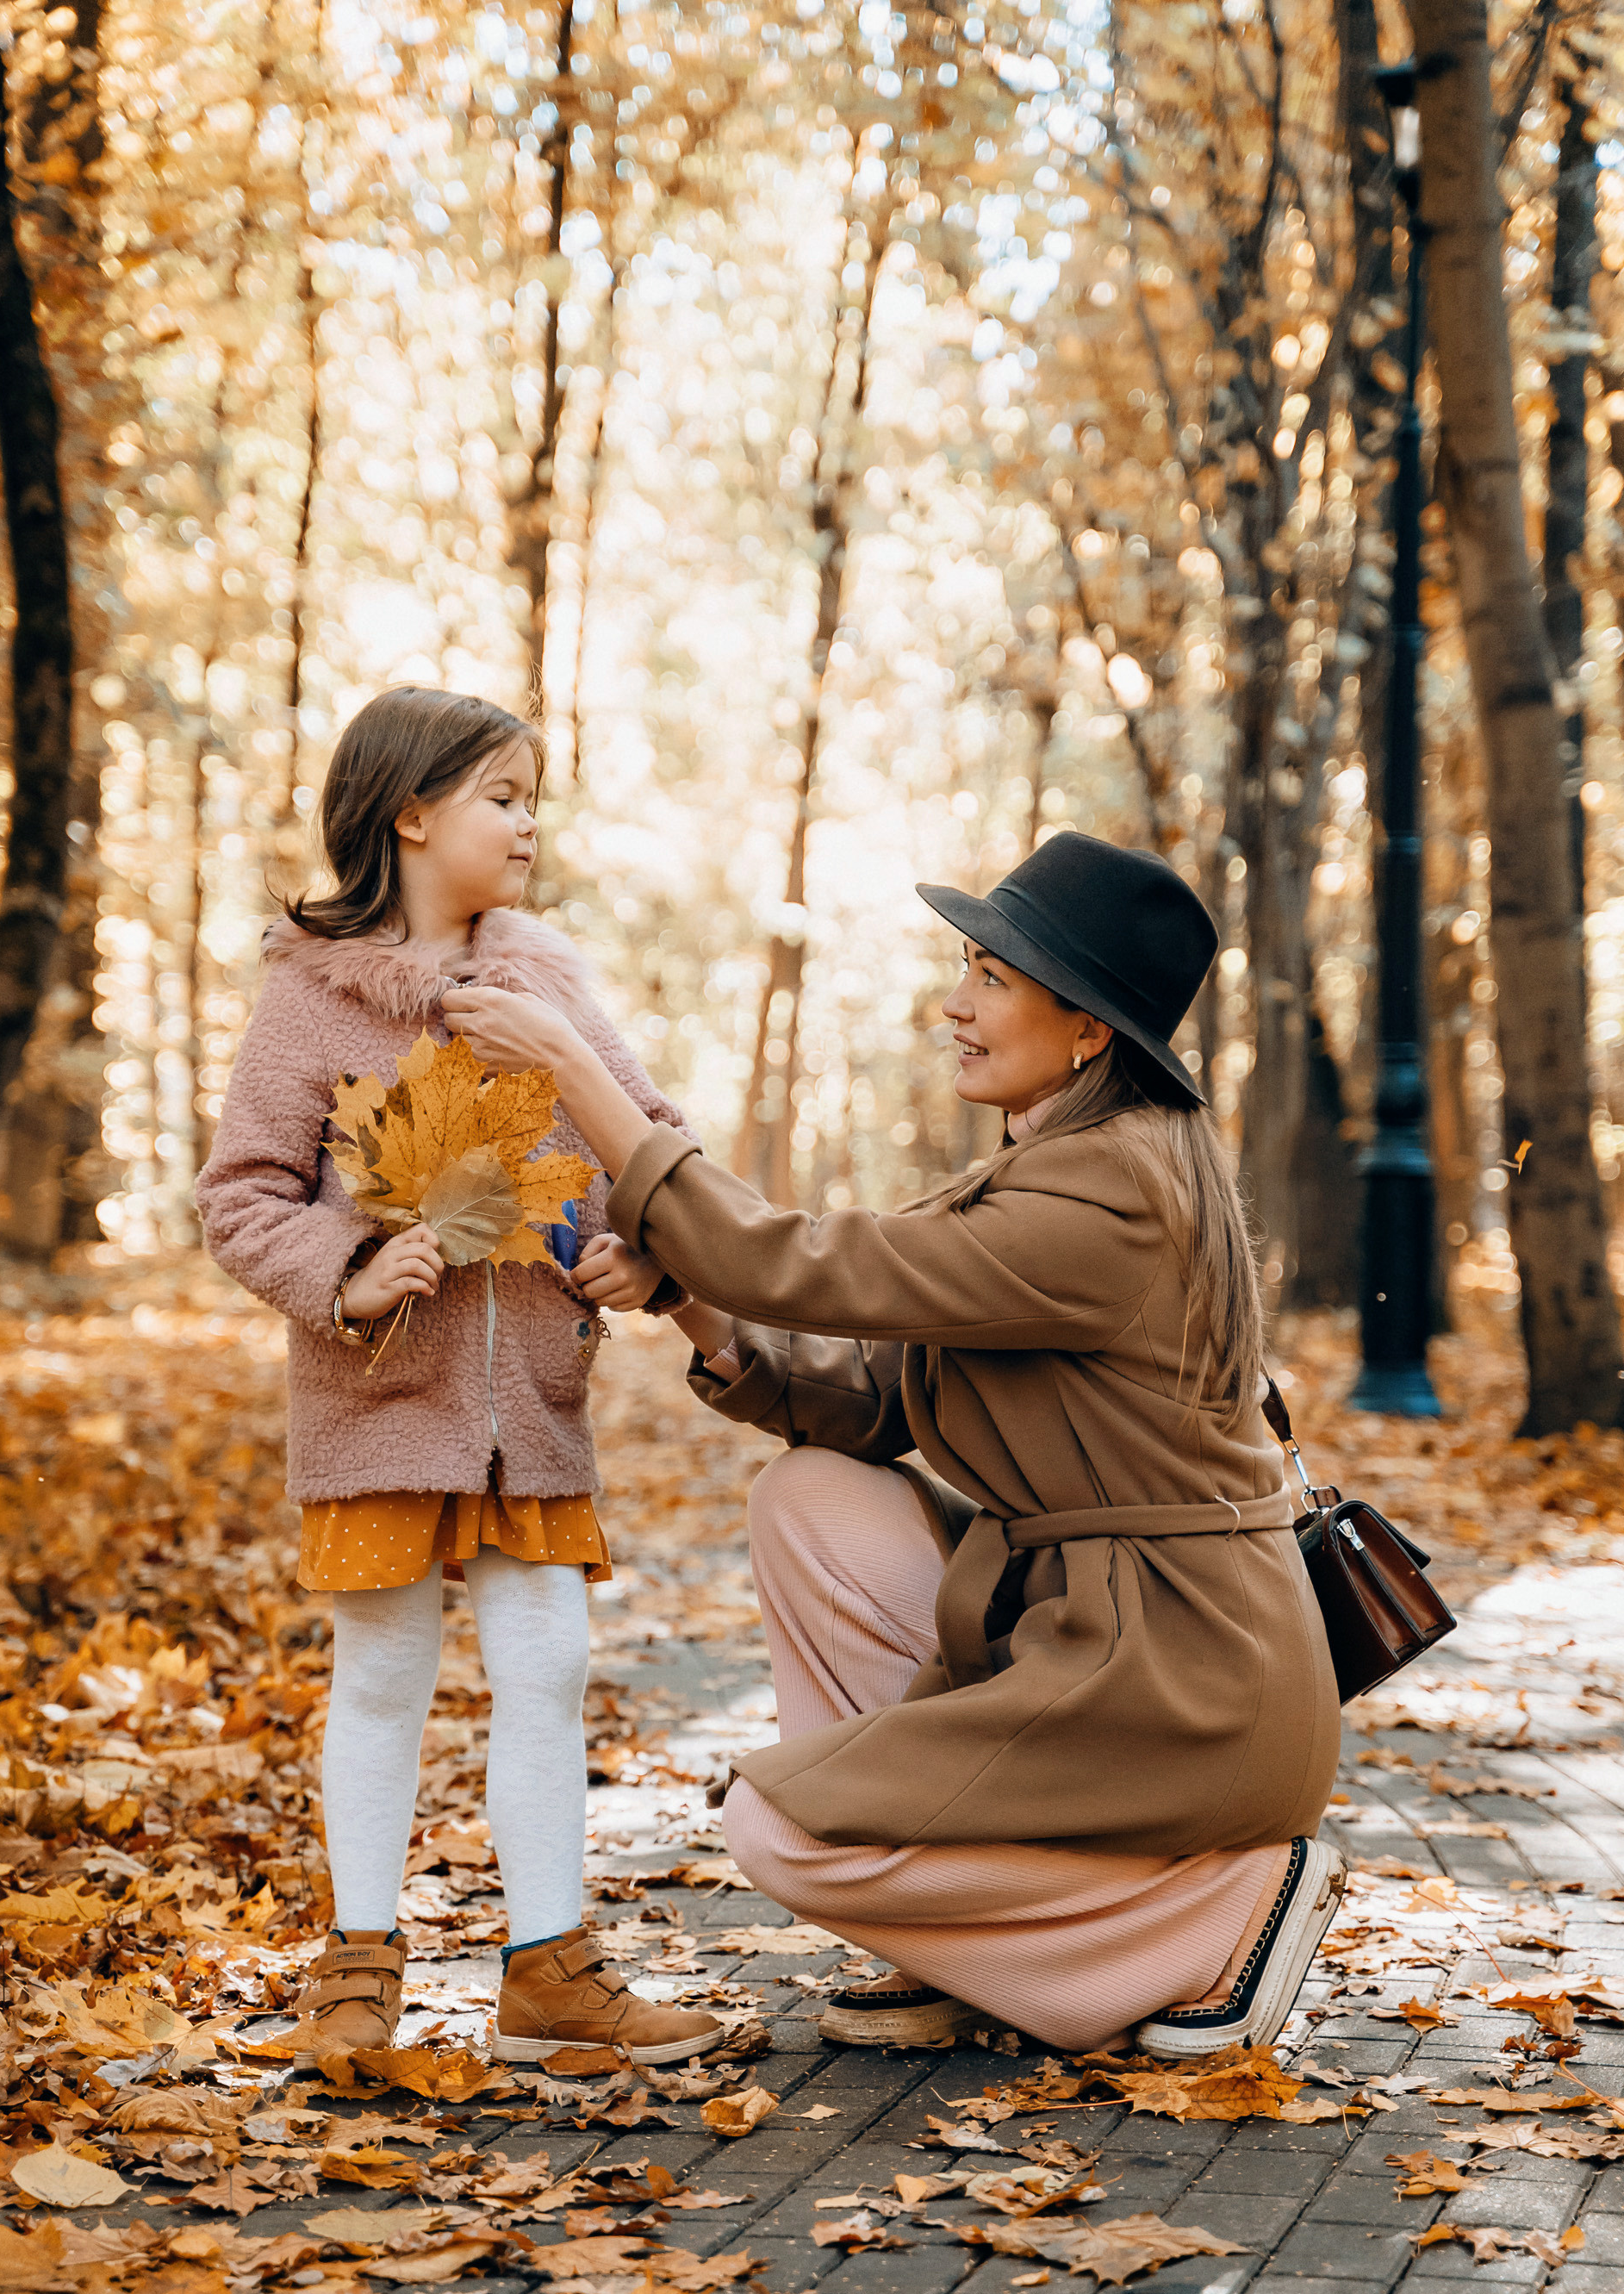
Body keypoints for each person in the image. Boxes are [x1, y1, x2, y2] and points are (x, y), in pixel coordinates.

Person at [451, 832, 1346, 2057]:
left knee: (777, 1831)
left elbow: (800, 1260)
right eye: (965, 968)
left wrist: (574, 1072)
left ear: (1088, 1029)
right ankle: (947, 1956)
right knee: (813, 1496)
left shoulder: (1111, 1192)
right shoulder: (1059, 1162)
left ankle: (1221, 1911)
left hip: (1183, 1684)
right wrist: (686, 1301)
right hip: (1102, 1637)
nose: (954, 1003)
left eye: (990, 976)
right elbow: (869, 1400)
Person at [195, 684, 724, 2064]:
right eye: (502, 794)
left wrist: (642, 1261)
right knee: (381, 1671)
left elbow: (642, 1143)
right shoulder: (311, 1004)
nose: (529, 819)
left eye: (534, 794)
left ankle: (549, 1964)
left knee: (547, 1663)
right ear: (410, 814)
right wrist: (346, 1272)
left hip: (530, 1412)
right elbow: (242, 1196)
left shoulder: (548, 989)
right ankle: (358, 1966)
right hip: (376, 1404)